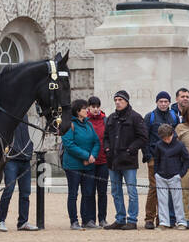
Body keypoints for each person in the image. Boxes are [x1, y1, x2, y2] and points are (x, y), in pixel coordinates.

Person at [101, 90, 147, 230]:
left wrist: (130, 150)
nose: (117, 102)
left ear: (126, 101)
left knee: (132, 192)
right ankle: (120, 219)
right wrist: (107, 149)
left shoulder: (136, 117)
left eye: (120, 100)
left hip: (128, 161)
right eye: (116, 100)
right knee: (116, 192)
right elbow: (106, 137)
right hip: (113, 161)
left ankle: (132, 220)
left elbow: (143, 138)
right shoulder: (111, 118)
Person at [143, 91, 180, 229]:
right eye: (161, 101)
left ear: (169, 102)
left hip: (169, 157)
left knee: (168, 189)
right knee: (154, 188)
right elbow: (144, 137)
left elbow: (176, 137)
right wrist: (147, 154)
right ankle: (149, 218)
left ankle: (163, 218)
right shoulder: (150, 117)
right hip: (154, 156)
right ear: (157, 102)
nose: (163, 104)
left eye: (166, 101)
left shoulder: (173, 116)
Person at [61, 99, 98, 230]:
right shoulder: (68, 124)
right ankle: (74, 221)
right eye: (84, 109)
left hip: (88, 165)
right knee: (73, 194)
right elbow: (69, 145)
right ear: (77, 111)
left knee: (88, 193)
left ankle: (87, 220)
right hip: (73, 166)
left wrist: (92, 156)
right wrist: (87, 156)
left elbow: (96, 142)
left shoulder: (89, 125)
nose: (87, 111)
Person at [0, 120, 37, 232]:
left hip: (25, 157)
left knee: (25, 192)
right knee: (9, 190)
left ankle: (23, 221)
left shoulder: (25, 115)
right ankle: (0, 220)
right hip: (12, 158)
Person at [151, 125, 189, 230]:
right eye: (164, 138)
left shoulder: (180, 145)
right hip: (161, 176)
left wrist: (180, 174)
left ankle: (181, 222)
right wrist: (156, 173)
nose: (167, 140)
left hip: (175, 176)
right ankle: (164, 222)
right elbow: (156, 160)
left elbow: (187, 160)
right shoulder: (159, 145)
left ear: (173, 134)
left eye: (168, 137)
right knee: (162, 200)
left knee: (177, 201)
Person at [86, 96, 109, 228]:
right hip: (89, 161)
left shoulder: (105, 120)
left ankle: (102, 218)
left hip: (103, 161)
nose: (95, 109)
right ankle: (90, 219)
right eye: (93, 107)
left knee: (102, 192)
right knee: (89, 191)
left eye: (97, 106)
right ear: (89, 107)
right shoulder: (86, 120)